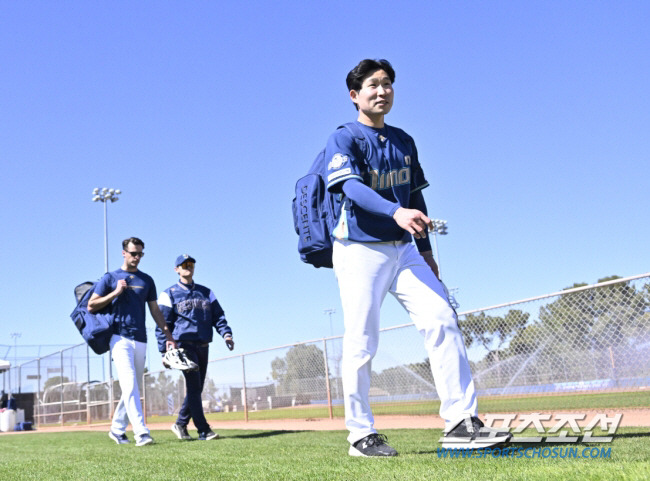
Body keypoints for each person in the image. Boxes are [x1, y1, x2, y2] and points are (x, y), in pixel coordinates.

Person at [323, 59, 511, 456]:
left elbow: (415, 194)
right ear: (354, 95)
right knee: (362, 341)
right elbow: (351, 189)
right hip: (359, 247)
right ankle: (361, 435)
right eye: (373, 85)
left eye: (387, 84)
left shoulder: (404, 140)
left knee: (443, 319)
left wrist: (426, 251)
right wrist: (395, 212)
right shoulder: (345, 138)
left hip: (404, 249)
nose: (382, 90)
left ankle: (461, 422)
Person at [88, 237, 176, 446]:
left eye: (140, 254)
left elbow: (154, 309)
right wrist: (116, 292)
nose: (137, 258)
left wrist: (168, 334)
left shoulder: (147, 280)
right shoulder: (110, 277)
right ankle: (141, 433)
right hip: (119, 338)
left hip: (141, 339)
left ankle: (117, 429)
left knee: (133, 387)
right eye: (133, 253)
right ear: (124, 253)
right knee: (129, 385)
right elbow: (91, 305)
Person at [156, 254, 234, 441]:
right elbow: (163, 324)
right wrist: (163, 351)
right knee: (193, 386)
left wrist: (226, 333)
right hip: (183, 345)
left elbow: (218, 316)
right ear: (177, 269)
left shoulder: (206, 292)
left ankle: (181, 424)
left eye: (190, 264)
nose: (188, 267)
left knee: (196, 389)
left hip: (203, 344)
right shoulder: (169, 293)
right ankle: (203, 429)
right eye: (184, 265)